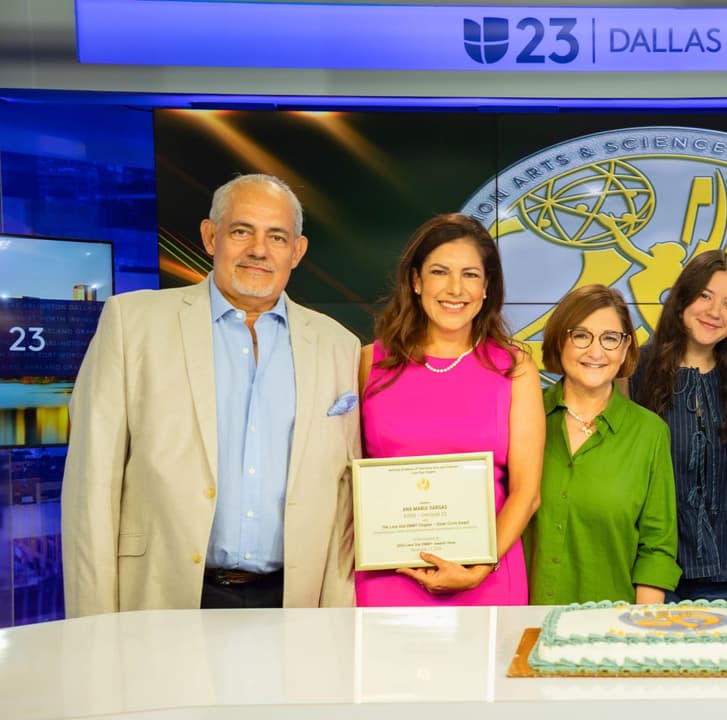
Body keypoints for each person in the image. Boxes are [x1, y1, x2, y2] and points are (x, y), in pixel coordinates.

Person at [62, 174, 360, 615]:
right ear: (209, 236)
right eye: (241, 231)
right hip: (163, 596)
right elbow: (91, 484)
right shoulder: (132, 323)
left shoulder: (338, 345)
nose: (259, 250)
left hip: (293, 604)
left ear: (297, 252)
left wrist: (337, 618)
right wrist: (93, 626)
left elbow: (345, 498)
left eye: (277, 237)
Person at [356, 213, 542, 606]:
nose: (455, 289)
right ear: (416, 281)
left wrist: (479, 569)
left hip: (487, 581)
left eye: (470, 275)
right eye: (440, 272)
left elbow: (526, 493)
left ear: (487, 286)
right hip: (388, 580)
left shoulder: (515, 368)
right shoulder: (368, 363)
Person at [528, 284, 680, 605]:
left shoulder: (649, 433)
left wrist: (642, 625)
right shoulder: (523, 416)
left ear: (625, 349)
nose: (596, 352)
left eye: (610, 338)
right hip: (521, 620)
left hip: (610, 624)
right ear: (559, 341)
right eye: (581, 336)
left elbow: (657, 548)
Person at [630, 251, 727, 602]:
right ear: (682, 299)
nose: (714, 312)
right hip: (654, 570)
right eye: (705, 296)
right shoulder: (635, 370)